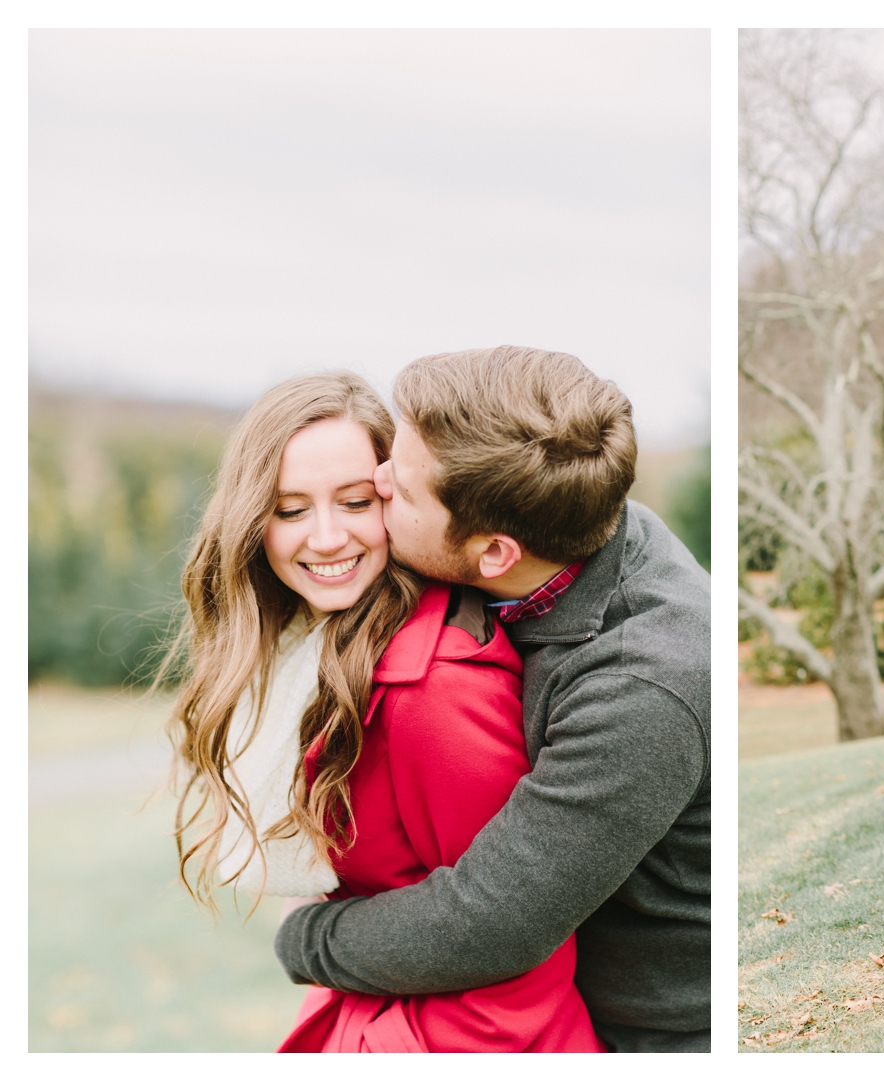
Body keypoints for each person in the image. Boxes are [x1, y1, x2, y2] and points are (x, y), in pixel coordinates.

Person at [271, 347, 711, 1053]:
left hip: (652, 1034)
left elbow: (491, 920)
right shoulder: (567, 511)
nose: (378, 481)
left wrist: (306, 937)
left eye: (404, 491)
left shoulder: (642, 689)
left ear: (495, 554)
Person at [164, 372, 601, 1052]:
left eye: (355, 500)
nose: (329, 537)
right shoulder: (307, 649)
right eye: (291, 510)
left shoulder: (436, 686)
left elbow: (516, 950)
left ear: (393, 496)